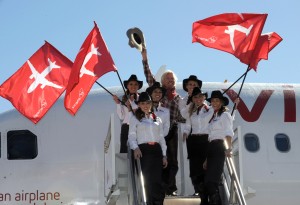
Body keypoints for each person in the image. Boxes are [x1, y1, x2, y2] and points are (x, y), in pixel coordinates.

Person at [141, 47, 185, 196]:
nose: (170, 80)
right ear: (162, 81)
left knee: (173, 161)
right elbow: (148, 76)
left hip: (171, 130)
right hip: (157, 128)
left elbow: (183, 116)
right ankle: (159, 187)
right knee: (158, 159)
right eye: (167, 78)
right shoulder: (159, 92)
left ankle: (170, 188)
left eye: (172, 79)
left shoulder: (179, 98)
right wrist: (145, 59)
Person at [128, 92, 168, 205]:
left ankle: (158, 202)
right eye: (142, 103)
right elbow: (131, 136)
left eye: (147, 103)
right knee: (147, 180)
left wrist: (164, 155)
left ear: (151, 104)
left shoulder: (157, 119)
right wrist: (135, 148)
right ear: (139, 104)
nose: (145, 105)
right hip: (143, 151)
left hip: (156, 150)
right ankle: (149, 202)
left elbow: (161, 138)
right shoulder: (135, 118)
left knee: (157, 180)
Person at [203, 90, 235, 205]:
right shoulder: (214, 117)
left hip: (219, 147)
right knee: (208, 181)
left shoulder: (225, 115)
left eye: (217, 100)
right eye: (212, 101)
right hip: (211, 148)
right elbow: (211, 137)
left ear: (221, 102)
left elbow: (228, 133)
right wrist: (207, 158)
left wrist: (228, 148)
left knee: (212, 181)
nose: (214, 103)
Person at [182, 87, 213, 200]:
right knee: (195, 173)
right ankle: (203, 197)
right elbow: (188, 125)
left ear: (204, 97)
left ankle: (209, 197)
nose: (198, 99)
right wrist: (185, 132)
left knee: (205, 170)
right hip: (194, 141)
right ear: (193, 99)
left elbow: (222, 116)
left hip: (205, 140)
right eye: (195, 97)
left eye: (200, 96)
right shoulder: (192, 112)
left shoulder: (211, 110)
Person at [112, 74, 143, 153]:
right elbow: (121, 116)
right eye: (131, 84)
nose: (133, 86)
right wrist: (118, 104)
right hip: (126, 126)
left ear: (138, 86)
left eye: (136, 84)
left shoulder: (142, 98)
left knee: (138, 148)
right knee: (124, 149)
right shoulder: (123, 98)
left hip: (138, 126)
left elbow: (141, 113)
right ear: (127, 86)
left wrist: (132, 104)